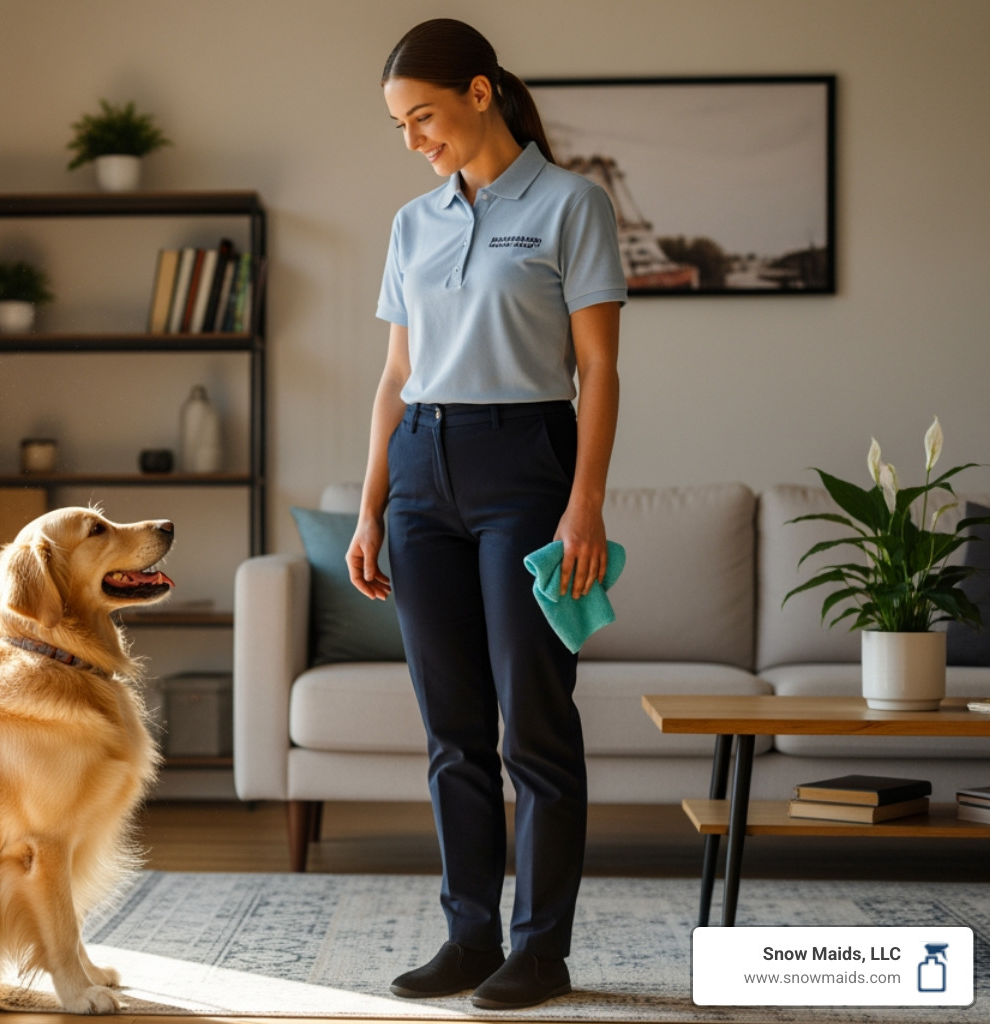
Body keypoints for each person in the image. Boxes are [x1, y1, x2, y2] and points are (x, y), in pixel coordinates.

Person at [346, 18, 627, 1012]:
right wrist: (371, 504)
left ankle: (539, 949)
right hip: (422, 466)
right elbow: (393, 375)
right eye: (400, 126)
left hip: (527, 466)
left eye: (422, 116)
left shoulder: (570, 203)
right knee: (451, 728)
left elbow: (597, 367)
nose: (414, 138)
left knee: (534, 726)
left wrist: (582, 503)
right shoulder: (413, 223)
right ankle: (468, 936)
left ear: (477, 93)